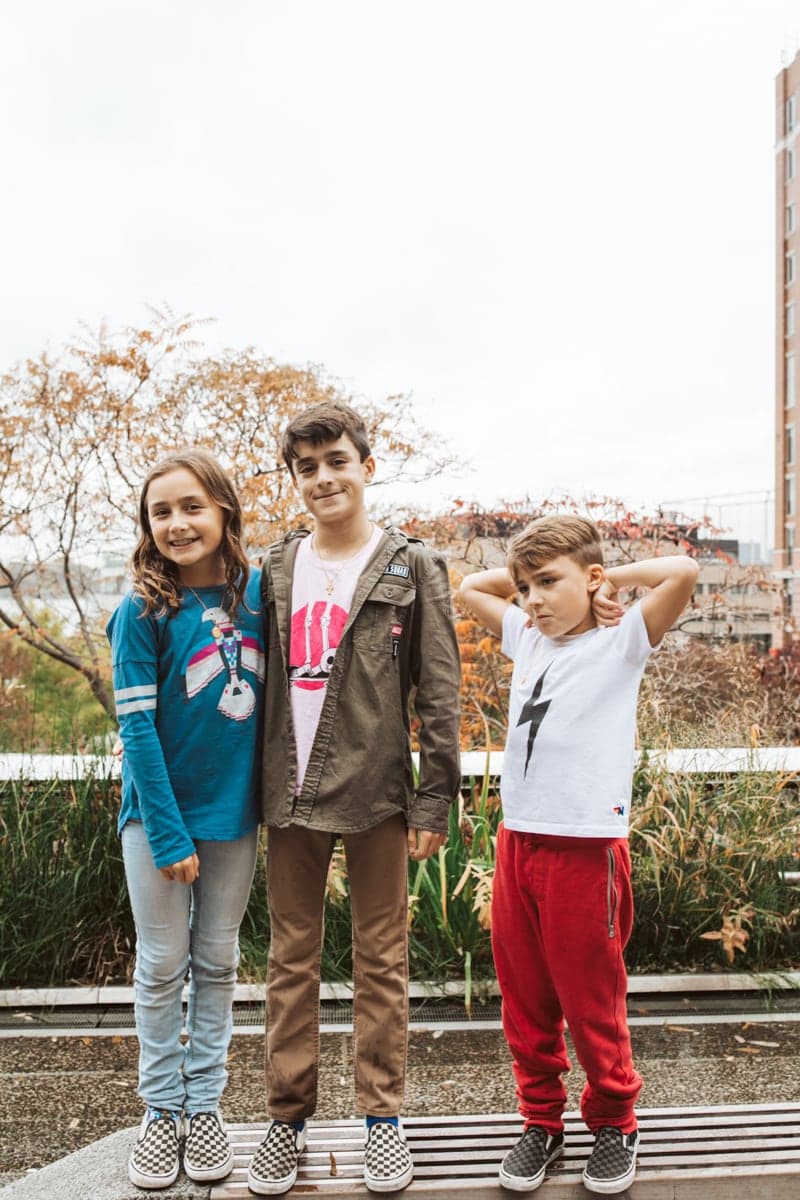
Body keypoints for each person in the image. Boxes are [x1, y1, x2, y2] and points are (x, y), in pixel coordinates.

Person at [246, 402, 462, 1196]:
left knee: (382, 960)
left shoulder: (413, 565)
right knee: (288, 960)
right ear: (296, 479)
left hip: (379, 794)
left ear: (367, 467)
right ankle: (285, 1119)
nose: (324, 477)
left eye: (337, 460)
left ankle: (382, 1122)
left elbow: (439, 691)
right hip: (289, 792)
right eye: (308, 466)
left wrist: (435, 798)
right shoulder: (274, 567)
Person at [459, 515, 698, 1195]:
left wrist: (604, 584)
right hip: (519, 841)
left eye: (548, 583)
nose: (531, 598)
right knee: (525, 997)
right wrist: (541, 584)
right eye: (527, 585)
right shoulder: (528, 636)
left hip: (586, 850)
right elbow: (474, 587)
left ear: (590, 579)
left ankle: (615, 1121)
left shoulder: (622, 639)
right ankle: (541, 1120)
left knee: (590, 999)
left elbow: (681, 573)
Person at [107, 449, 264, 1190]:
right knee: (162, 964)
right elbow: (137, 731)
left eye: (192, 506)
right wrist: (167, 834)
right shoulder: (141, 612)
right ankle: (160, 1111)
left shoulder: (262, 595)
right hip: (158, 818)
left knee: (218, 961)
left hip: (234, 815)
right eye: (161, 511)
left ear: (224, 509)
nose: (177, 523)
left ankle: (205, 1108)